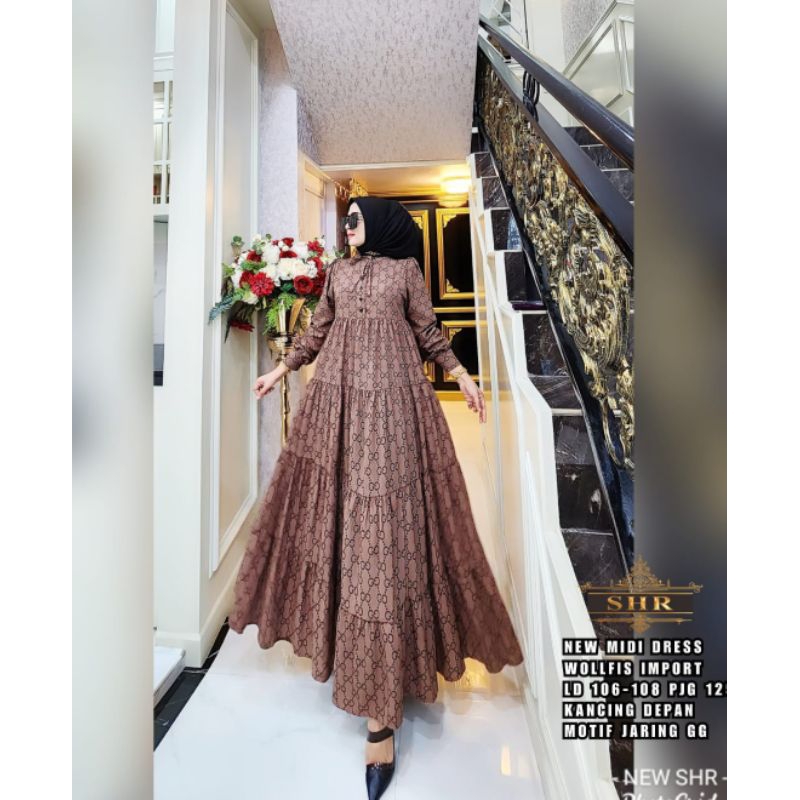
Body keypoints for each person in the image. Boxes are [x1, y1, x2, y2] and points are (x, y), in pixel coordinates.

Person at [227, 196, 524, 800]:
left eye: (356, 218)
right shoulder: (338, 272)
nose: (348, 226)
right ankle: (358, 664)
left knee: (385, 541)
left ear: (382, 224)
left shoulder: (406, 272)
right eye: (346, 218)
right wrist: (279, 372)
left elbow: (429, 333)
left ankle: (382, 714)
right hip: (337, 410)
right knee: (342, 532)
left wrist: (463, 376)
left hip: (393, 413)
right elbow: (317, 331)